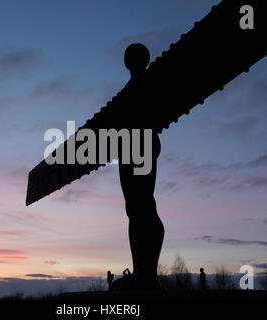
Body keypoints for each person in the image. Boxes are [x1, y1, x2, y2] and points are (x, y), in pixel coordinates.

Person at [117, 43, 164, 290]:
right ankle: (139, 272)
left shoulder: (154, 79)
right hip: (127, 147)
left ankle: (149, 275)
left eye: (134, 56)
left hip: (142, 143)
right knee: (133, 208)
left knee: (144, 204)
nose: (130, 59)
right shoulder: (124, 93)